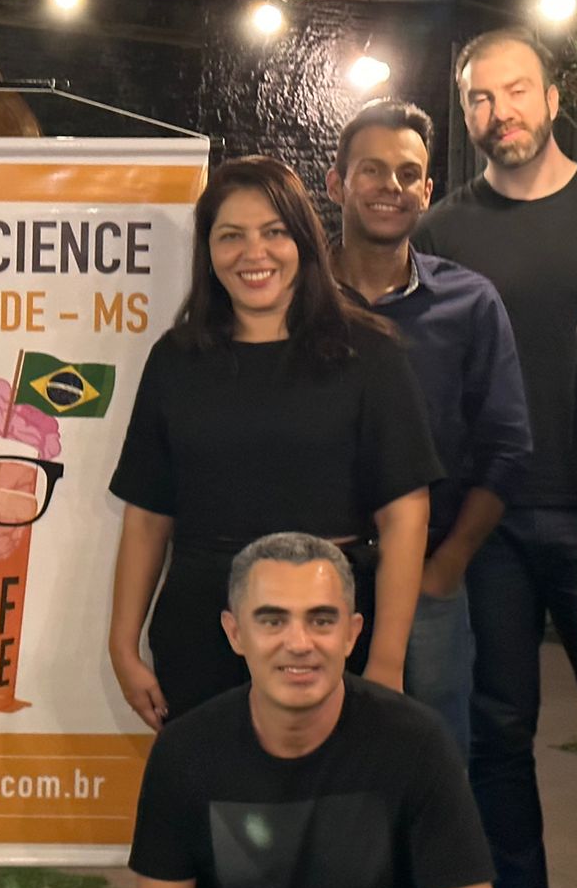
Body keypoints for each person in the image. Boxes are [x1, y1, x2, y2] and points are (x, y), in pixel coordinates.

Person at [412, 25, 577, 888]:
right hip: (488, 524)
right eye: (478, 97)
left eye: (514, 91)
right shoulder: (443, 233)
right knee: (495, 737)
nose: (497, 112)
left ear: (552, 99)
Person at [109, 156, 440, 725]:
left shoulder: (369, 353)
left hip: (328, 623)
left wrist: (386, 660)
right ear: (208, 251)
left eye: (273, 232)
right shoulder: (176, 359)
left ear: (303, 241)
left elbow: (406, 514)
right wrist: (122, 646)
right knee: (212, 782)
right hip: (202, 628)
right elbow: (146, 517)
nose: (253, 253)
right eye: (231, 236)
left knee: (335, 782)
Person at [129, 531, 499, 888]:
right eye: (272, 621)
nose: (299, 643)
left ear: (352, 632)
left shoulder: (417, 744)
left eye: (321, 620)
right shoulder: (185, 754)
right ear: (235, 633)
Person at [326, 99, 532, 759]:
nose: (390, 186)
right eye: (371, 169)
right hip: (309, 578)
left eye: (407, 173)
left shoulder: (470, 303)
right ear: (336, 184)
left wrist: (448, 567)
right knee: (315, 772)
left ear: (427, 190)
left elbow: (507, 446)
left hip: (427, 583)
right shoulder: (297, 299)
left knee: (433, 769)